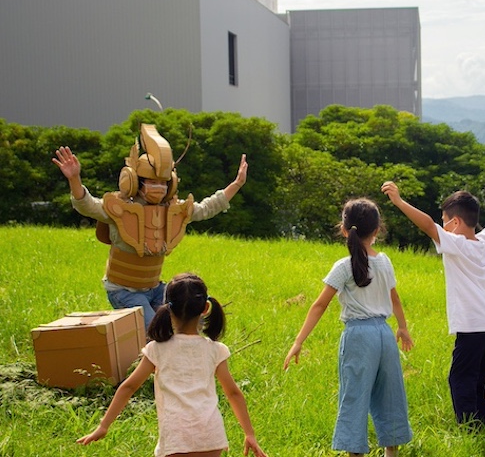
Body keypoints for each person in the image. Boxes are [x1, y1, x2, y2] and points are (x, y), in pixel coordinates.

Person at [53, 123, 248, 327]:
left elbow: (207, 208)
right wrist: (74, 179)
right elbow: (87, 206)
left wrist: (236, 184)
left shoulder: (173, 210)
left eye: (163, 183)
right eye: (151, 182)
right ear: (135, 181)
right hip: (124, 291)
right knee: (155, 330)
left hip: (155, 288)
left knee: (191, 322)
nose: (159, 187)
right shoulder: (120, 209)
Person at [381, 174, 485, 431]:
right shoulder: (484, 241)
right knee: (481, 380)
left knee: (460, 379)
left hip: (473, 324)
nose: (442, 227)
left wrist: (400, 202)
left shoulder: (455, 242)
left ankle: (469, 431)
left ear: (455, 222)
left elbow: (426, 225)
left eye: (445, 222)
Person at [76, 273, 267, 457]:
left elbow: (129, 386)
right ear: (205, 308)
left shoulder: (156, 350)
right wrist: (249, 434)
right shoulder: (215, 350)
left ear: (167, 308)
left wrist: (103, 426)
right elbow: (233, 393)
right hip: (210, 435)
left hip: (176, 436)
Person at [283, 198, 413, 457]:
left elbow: (319, 305)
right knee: (390, 394)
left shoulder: (343, 267)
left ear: (344, 229)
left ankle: (355, 453)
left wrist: (298, 341)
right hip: (385, 336)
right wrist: (402, 328)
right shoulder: (385, 262)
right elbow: (394, 298)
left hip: (358, 336)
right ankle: (392, 452)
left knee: (355, 395)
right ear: (377, 230)